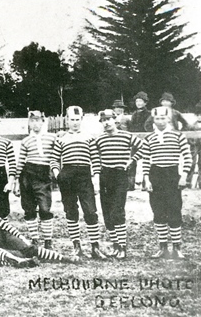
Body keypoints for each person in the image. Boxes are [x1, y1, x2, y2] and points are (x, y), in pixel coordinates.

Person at [51, 106, 108, 259]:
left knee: (90, 211)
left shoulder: (89, 137)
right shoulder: (61, 138)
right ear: (67, 120)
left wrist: (95, 177)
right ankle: (76, 247)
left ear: (81, 119)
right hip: (67, 175)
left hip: (84, 174)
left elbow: (95, 159)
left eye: (77, 120)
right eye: (72, 120)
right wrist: (58, 175)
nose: (75, 123)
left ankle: (95, 247)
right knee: (71, 211)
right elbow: (54, 159)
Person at [141, 106, 192, 259]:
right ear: (153, 120)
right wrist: (146, 179)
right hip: (156, 175)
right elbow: (145, 161)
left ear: (168, 119)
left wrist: (183, 176)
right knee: (158, 211)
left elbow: (187, 157)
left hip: (172, 175)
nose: (160, 121)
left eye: (163, 118)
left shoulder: (178, 136)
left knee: (174, 210)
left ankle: (176, 248)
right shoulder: (149, 138)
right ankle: (163, 247)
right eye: (157, 119)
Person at [92, 109, 143, 259]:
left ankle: (122, 247)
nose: (106, 122)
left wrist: (131, 160)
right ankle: (115, 245)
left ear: (115, 120)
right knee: (107, 212)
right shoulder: (100, 139)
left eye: (109, 119)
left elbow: (144, 146)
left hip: (120, 175)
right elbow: (93, 156)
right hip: (105, 176)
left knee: (117, 211)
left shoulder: (126, 136)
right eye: (103, 120)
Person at [14, 111, 56, 248]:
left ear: (43, 121)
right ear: (29, 123)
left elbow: (57, 155)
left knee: (45, 208)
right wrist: (16, 180)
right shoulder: (26, 141)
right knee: (29, 208)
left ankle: (48, 242)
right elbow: (20, 161)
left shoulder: (52, 138)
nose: (35, 123)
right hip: (28, 174)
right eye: (32, 121)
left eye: (38, 120)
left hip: (44, 174)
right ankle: (35, 240)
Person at [185, 102, 201, 188]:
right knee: (192, 163)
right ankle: (188, 182)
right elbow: (188, 135)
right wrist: (191, 142)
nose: (199, 117)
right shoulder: (192, 126)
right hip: (194, 146)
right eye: (198, 115)